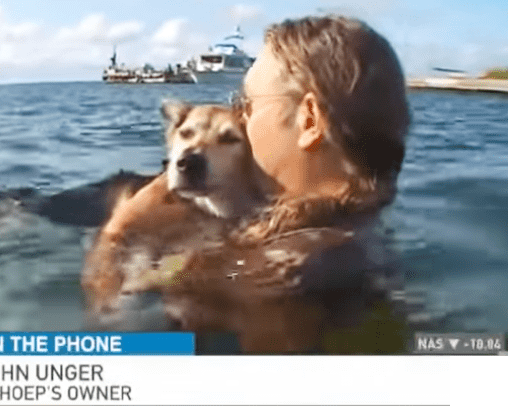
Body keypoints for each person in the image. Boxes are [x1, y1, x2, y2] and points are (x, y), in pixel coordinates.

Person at [81, 15, 411, 354]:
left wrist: (122, 228)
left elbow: (113, 329)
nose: (241, 118)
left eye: (248, 105)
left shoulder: (288, 264)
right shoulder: (352, 234)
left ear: (310, 120)